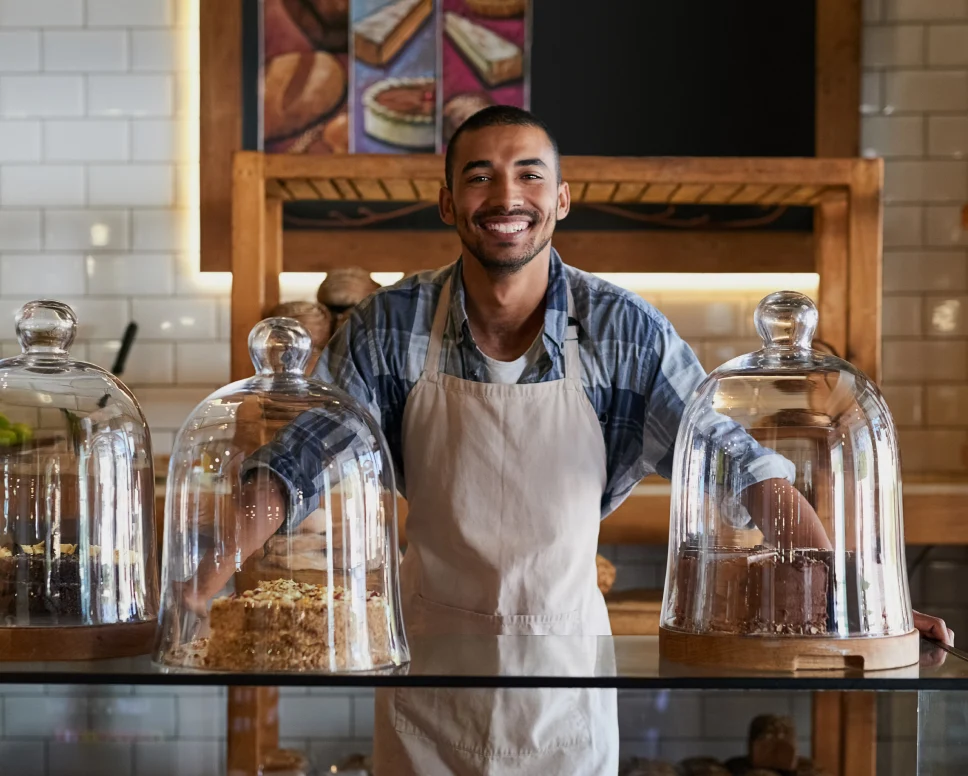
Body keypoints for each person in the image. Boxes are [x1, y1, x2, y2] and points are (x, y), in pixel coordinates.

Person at [188, 106, 953, 774]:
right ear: (449, 202)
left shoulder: (623, 332)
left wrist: (860, 607)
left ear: (560, 199)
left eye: (528, 175)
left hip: (569, 684)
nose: (506, 196)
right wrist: (195, 589)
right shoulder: (388, 328)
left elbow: (735, 465)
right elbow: (298, 466)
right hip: (429, 687)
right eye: (481, 177)